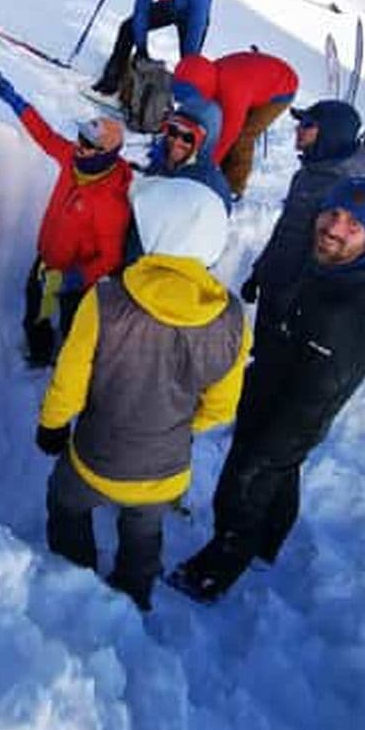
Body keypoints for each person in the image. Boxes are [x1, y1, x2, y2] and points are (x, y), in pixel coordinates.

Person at [168, 176, 365, 603]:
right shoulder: (333, 269)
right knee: (281, 476)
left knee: (241, 490)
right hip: (275, 392)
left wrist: (265, 451)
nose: (335, 227)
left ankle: (214, 572)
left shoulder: (353, 312)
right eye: (333, 213)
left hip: (288, 420)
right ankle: (269, 542)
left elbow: (316, 401)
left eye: (354, 225)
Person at [34, 178, 251, 611]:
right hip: (166, 470)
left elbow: (70, 380)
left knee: (66, 502)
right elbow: (222, 407)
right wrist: (175, 425)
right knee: (144, 530)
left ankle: (76, 575)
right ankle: (134, 593)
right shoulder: (231, 319)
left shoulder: (106, 300)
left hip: (94, 459)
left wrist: (52, 426)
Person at [0, 66, 132, 366]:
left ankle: (64, 367)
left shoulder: (110, 201)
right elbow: (45, 136)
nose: (79, 145)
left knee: (70, 326)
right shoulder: (74, 160)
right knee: (34, 309)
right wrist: (13, 99)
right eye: (80, 137)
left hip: (73, 280)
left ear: (105, 154)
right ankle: (37, 354)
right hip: (46, 260)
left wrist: (75, 277)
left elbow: (110, 258)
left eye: (89, 144)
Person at [241, 100, 365, 340]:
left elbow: (330, 255)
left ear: (330, 133)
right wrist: (261, 272)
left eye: (308, 124)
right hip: (279, 282)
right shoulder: (314, 170)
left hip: (294, 302)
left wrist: (294, 305)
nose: (298, 129)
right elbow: (288, 230)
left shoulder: (342, 187)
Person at [91, 0, 212, 97]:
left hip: (192, 16)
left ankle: (184, 102)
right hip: (169, 7)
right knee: (128, 28)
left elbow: (196, 27)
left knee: (190, 62)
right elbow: (141, 8)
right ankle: (111, 80)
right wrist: (141, 48)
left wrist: (187, 63)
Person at [172, 50, 299, 198]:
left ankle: (233, 187)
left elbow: (229, 134)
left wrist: (205, 168)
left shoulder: (231, 92)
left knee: (243, 136)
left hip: (282, 88)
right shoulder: (205, 74)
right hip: (256, 77)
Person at [144, 95, 233, 213]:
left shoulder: (210, 185)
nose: (176, 141)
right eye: (173, 131)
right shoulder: (160, 159)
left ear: (204, 144)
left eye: (188, 138)